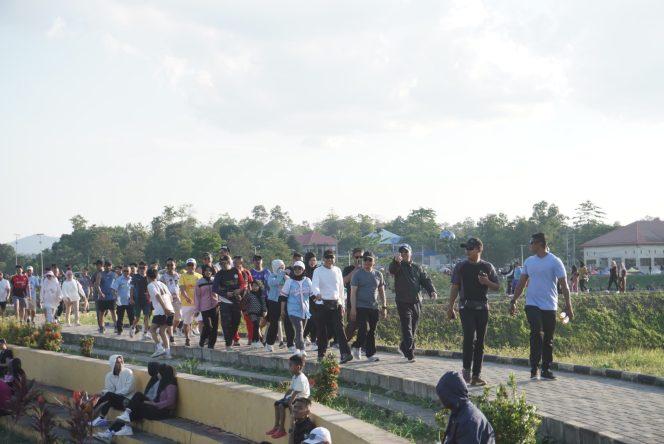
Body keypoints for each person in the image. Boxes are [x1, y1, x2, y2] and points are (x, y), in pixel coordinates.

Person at [510, 232, 574, 380]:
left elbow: (564, 285)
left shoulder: (555, 261)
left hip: (550, 305)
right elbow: (522, 282)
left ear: (539, 244)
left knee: (548, 338)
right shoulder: (529, 261)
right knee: (536, 333)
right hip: (532, 303)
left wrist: (568, 305)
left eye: (532, 243)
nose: (530, 246)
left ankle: (546, 368)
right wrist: (514, 300)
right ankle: (534, 367)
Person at [447, 238, 499, 386]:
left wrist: (486, 282)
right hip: (466, 307)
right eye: (466, 249)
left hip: (482, 308)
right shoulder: (461, 267)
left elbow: (497, 286)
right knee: (469, 338)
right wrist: (450, 307)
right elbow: (455, 287)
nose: (467, 251)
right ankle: (466, 370)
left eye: (469, 248)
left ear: (478, 249)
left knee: (480, 342)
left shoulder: (488, 267)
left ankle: (476, 375)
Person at [94, 364, 178, 442]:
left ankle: (118, 428)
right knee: (136, 400)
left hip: (161, 412)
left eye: (159, 373)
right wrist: (150, 402)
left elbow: (170, 402)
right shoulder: (163, 383)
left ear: (164, 373)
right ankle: (111, 431)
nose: (158, 375)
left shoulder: (171, 385)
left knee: (137, 403)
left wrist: (155, 404)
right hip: (155, 408)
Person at [388, 244, 437, 363]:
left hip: (416, 301)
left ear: (411, 253)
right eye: (402, 252)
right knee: (407, 327)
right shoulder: (398, 266)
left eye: (406, 252)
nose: (404, 254)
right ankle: (410, 352)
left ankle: (404, 346)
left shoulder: (417, 267)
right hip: (402, 301)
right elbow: (392, 270)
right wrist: (395, 262)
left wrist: (432, 291)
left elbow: (425, 280)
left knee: (413, 328)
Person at [311, 250, 353, 363]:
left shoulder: (338, 270)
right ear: (324, 258)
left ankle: (345, 353)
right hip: (321, 304)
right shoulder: (318, 271)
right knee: (322, 331)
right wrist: (317, 293)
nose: (330, 259)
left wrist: (342, 304)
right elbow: (314, 284)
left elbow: (341, 288)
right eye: (327, 257)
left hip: (336, 304)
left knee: (339, 329)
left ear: (334, 258)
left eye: (332, 257)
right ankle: (321, 354)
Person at [436, 371, 495, 444]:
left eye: (443, 396)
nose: (440, 400)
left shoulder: (468, 422)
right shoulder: (460, 409)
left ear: (451, 395)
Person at [349, 251, 387, 362]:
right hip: (361, 306)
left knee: (372, 331)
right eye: (365, 259)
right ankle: (356, 346)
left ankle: (370, 354)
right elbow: (353, 293)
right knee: (364, 329)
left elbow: (381, 292)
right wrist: (353, 309)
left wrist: (384, 307)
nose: (367, 262)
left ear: (374, 261)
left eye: (370, 259)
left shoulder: (378, 274)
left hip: (374, 307)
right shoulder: (357, 274)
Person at [266, 354, 310, 439]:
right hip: (295, 397)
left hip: (301, 399)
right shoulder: (295, 376)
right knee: (277, 403)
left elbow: (296, 393)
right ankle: (276, 426)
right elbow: (290, 390)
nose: (289, 367)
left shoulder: (301, 378)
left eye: (290, 365)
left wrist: (289, 404)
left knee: (281, 406)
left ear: (298, 367)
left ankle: (282, 429)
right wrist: (284, 398)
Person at [212, 255, 246, 350]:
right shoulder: (219, 274)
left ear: (228, 262)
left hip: (236, 300)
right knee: (226, 323)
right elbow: (214, 288)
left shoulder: (236, 271)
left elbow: (243, 283)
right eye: (221, 263)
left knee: (237, 321)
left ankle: (231, 338)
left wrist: (239, 290)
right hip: (224, 301)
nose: (223, 265)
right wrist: (225, 293)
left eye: (224, 263)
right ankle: (228, 344)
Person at [90, 355, 135, 427]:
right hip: (114, 400)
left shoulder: (128, 372)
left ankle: (100, 418)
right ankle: (91, 417)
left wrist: (112, 394)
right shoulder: (109, 376)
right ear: (113, 364)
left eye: (121, 362)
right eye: (117, 362)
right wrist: (102, 393)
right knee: (103, 398)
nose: (120, 364)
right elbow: (109, 390)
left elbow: (128, 389)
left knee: (109, 396)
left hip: (127, 401)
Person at [280, 261, 312, 356]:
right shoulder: (289, 281)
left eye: (300, 268)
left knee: (301, 331)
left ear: (303, 270)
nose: (298, 270)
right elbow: (283, 297)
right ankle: (301, 349)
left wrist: (319, 300)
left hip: (305, 310)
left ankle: (297, 344)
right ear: (293, 270)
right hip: (293, 310)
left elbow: (312, 294)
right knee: (299, 328)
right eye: (296, 268)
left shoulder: (307, 281)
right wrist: (282, 310)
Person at [147, 268, 175, 359]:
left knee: (152, 329)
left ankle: (159, 348)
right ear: (157, 275)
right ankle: (168, 353)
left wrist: (164, 308)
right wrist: (168, 307)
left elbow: (157, 295)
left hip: (162, 311)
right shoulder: (162, 284)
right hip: (171, 310)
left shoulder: (151, 285)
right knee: (163, 332)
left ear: (147, 277)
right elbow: (170, 297)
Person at [265, 260, 292, 352]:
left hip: (284, 301)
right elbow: (276, 282)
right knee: (274, 324)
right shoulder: (271, 277)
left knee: (288, 323)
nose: (282, 269)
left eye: (283, 267)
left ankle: (290, 344)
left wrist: (286, 275)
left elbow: (290, 284)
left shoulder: (285, 276)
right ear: (275, 268)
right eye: (280, 267)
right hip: (273, 302)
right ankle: (269, 343)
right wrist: (282, 273)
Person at [195, 265, 219, 349]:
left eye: (210, 270)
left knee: (215, 326)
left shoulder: (215, 281)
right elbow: (197, 296)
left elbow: (219, 291)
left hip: (215, 306)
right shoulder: (199, 282)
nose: (208, 272)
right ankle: (202, 340)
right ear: (203, 272)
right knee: (208, 326)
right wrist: (197, 309)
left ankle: (211, 345)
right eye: (206, 270)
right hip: (204, 307)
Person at [342, 248, 364, 342]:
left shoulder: (366, 268)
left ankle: (363, 346)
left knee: (364, 326)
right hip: (352, 302)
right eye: (357, 257)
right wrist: (355, 269)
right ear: (353, 257)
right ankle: (342, 342)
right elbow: (343, 281)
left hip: (364, 302)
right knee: (352, 325)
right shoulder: (348, 269)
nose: (359, 258)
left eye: (361, 257)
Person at [179, 258, 202, 347]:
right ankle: (187, 338)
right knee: (186, 322)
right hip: (186, 303)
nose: (190, 267)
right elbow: (182, 288)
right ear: (186, 266)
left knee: (201, 321)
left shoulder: (199, 276)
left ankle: (202, 338)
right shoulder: (183, 276)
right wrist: (187, 297)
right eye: (189, 265)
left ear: (195, 266)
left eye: (192, 265)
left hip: (198, 304)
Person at [160, 259, 181, 344]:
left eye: (171, 265)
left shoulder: (178, 276)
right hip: (168, 300)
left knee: (178, 319)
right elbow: (161, 289)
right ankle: (171, 337)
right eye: (168, 265)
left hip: (177, 299)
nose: (170, 267)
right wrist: (168, 295)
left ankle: (169, 332)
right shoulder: (163, 277)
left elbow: (180, 287)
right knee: (169, 318)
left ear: (175, 266)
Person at [95, 261, 118, 334]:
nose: (107, 267)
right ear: (104, 266)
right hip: (102, 297)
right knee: (101, 313)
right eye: (106, 266)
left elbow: (117, 285)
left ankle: (116, 326)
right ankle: (102, 327)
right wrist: (100, 293)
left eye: (109, 266)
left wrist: (116, 294)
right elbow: (97, 285)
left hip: (111, 297)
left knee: (113, 312)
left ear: (111, 266)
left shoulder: (114, 274)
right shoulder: (100, 274)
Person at [130, 262, 151, 340]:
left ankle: (145, 333)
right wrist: (131, 298)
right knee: (138, 318)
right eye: (140, 268)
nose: (142, 269)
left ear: (146, 268)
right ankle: (132, 327)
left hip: (146, 300)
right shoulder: (135, 277)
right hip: (138, 300)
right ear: (138, 268)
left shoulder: (149, 277)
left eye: (143, 268)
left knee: (147, 316)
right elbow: (131, 288)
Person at [111, 266, 134, 336]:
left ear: (130, 271)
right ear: (122, 271)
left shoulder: (132, 279)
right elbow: (113, 289)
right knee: (120, 317)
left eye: (127, 271)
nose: (126, 272)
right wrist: (115, 296)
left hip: (130, 300)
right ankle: (119, 330)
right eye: (124, 271)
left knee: (131, 316)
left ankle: (132, 330)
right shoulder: (119, 279)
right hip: (120, 301)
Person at [302, 252, 318, 349]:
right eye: (311, 260)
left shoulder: (318, 271)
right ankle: (303, 336)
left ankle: (313, 340)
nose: (313, 262)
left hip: (317, 298)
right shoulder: (304, 271)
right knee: (311, 319)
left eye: (314, 260)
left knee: (316, 319)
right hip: (307, 299)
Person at [245, 281, 268, 348]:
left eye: (256, 286)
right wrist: (245, 310)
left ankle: (255, 341)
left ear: (259, 286)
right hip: (252, 312)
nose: (254, 287)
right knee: (256, 325)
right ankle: (255, 341)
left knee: (257, 327)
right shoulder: (249, 294)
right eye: (253, 286)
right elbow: (245, 302)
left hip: (260, 313)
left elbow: (264, 303)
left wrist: (265, 310)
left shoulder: (262, 294)